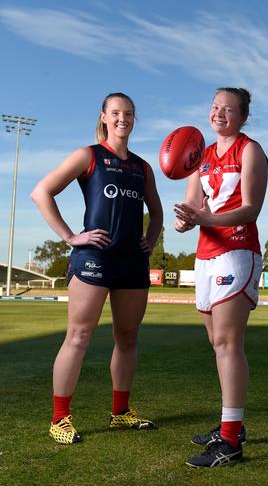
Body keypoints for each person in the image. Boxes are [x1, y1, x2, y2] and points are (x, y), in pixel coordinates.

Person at [31, 92, 163, 445]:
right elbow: (41, 192)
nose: (123, 118)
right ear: (104, 116)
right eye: (116, 112)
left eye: (129, 113)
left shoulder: (142, 166)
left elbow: (158, 212)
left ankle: (120, 412)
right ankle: (60, 418)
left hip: (132, 263)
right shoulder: (88, 156)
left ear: (134, 119)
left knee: (128, 338)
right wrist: (71, 236)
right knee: (79, 336)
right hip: (95, 258)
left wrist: (150, 240)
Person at [173, 87, 268, 468]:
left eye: (229, 109)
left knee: (228, 342)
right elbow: (194, 206)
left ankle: (229, 441)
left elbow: (250, 209)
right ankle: (233, 424)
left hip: (238, 251)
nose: (219, 113)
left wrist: (205, 218)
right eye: (215, 107)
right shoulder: (201, 157)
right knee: (217, 342)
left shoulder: (250, 150)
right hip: (206, 255)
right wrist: (184, 220)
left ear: (243, 117)